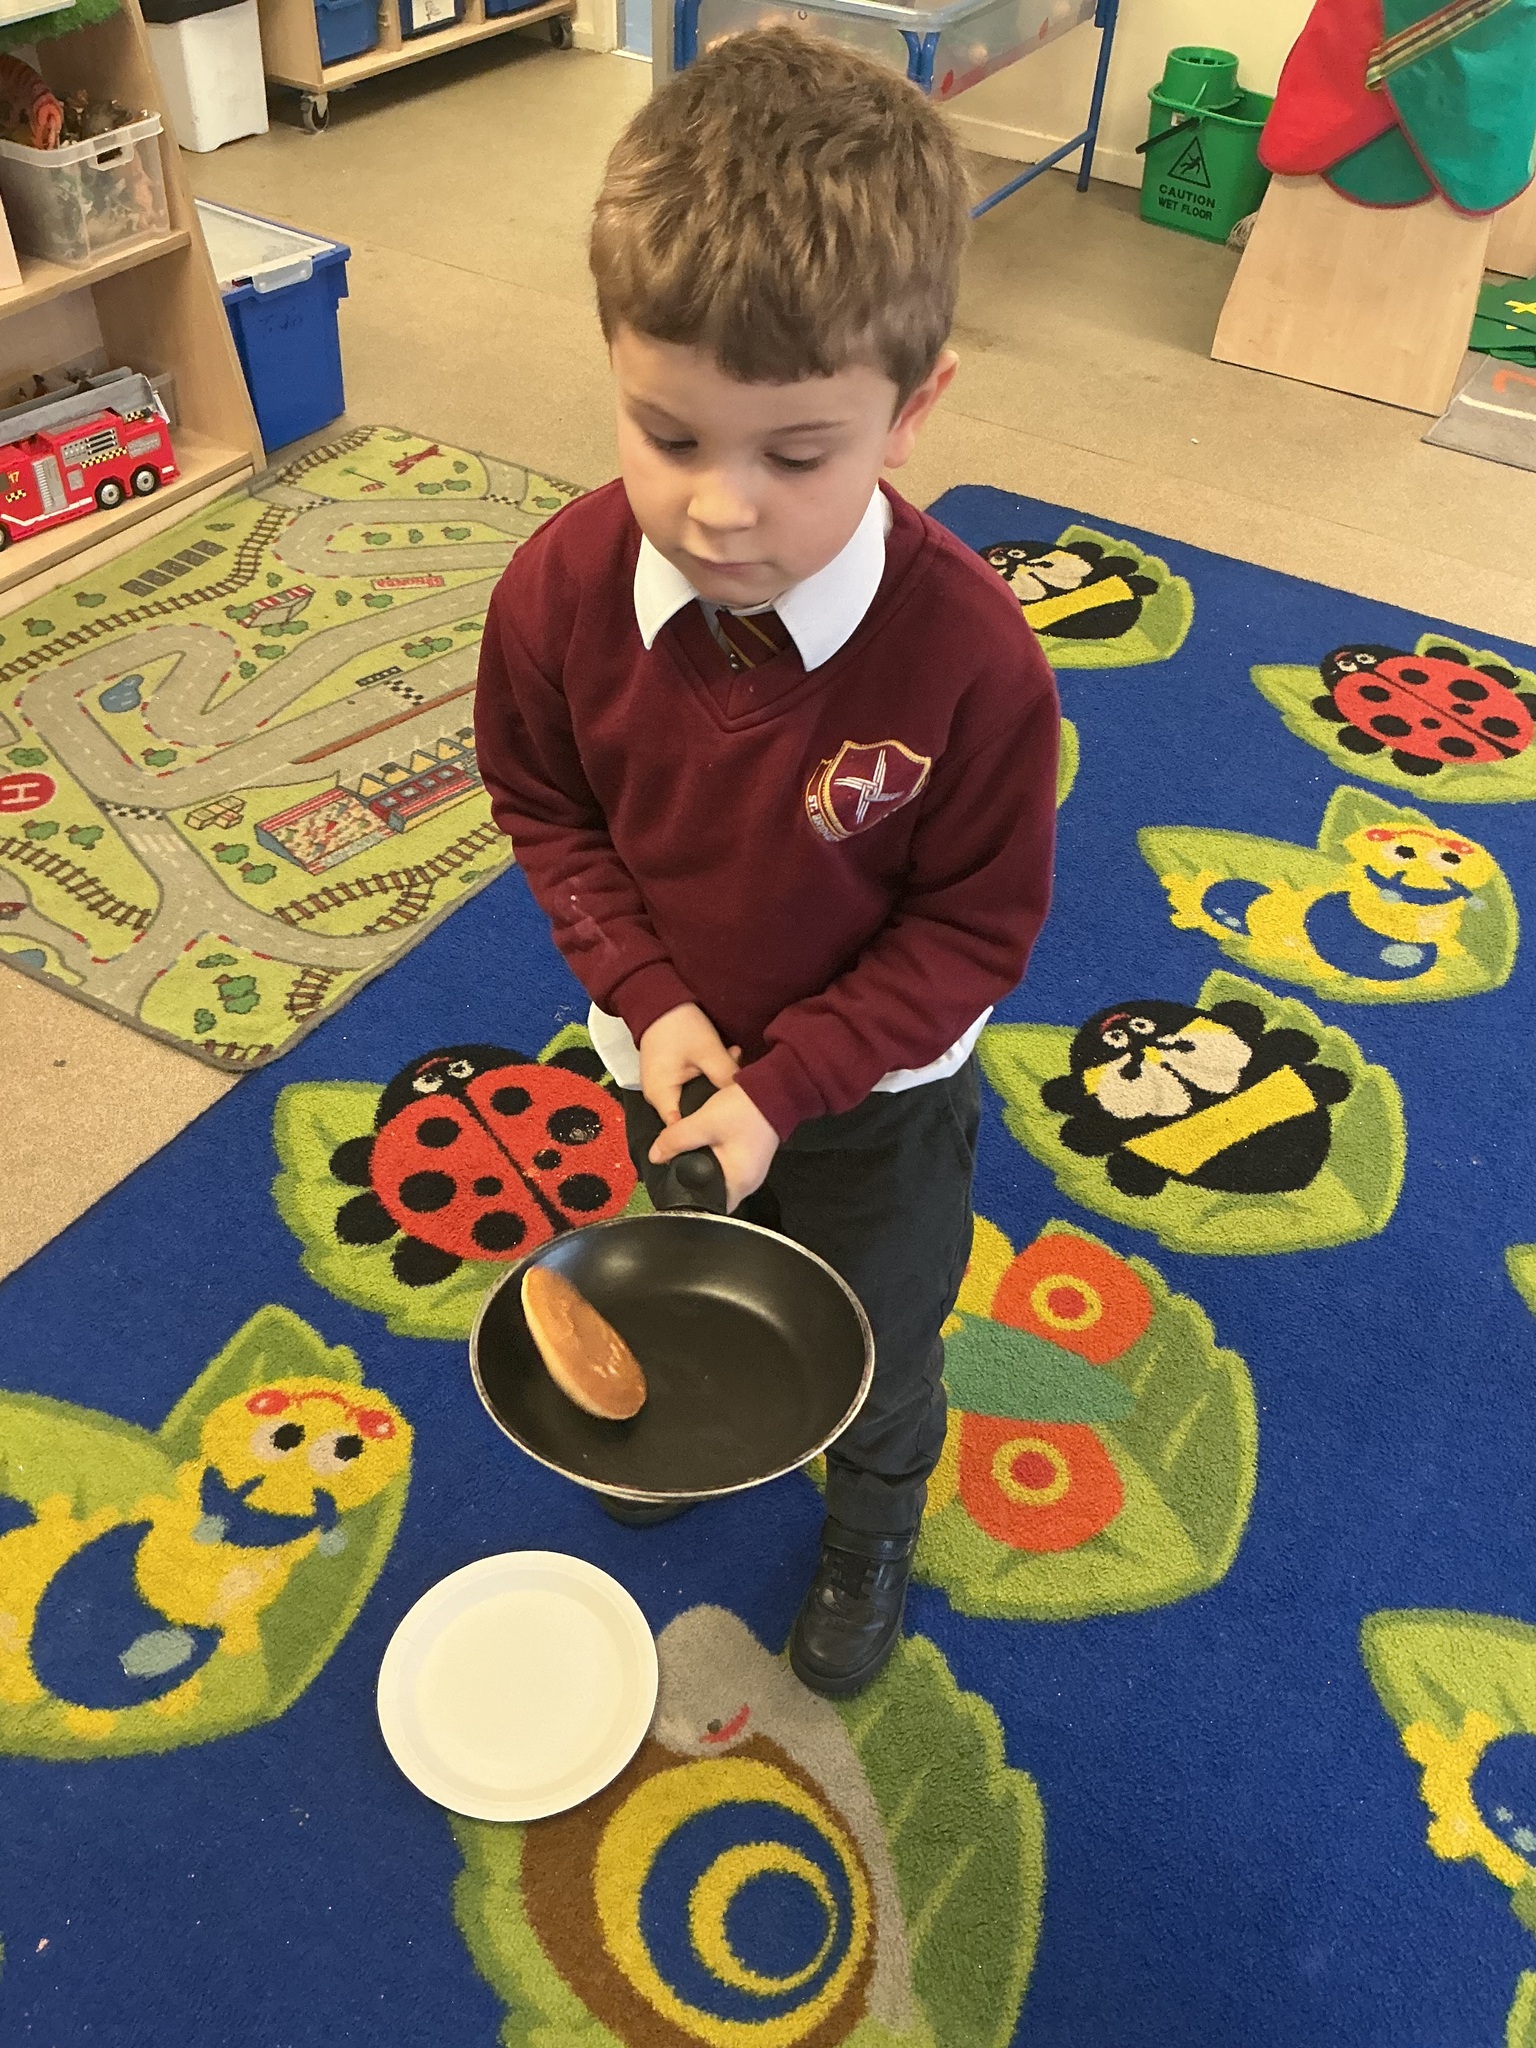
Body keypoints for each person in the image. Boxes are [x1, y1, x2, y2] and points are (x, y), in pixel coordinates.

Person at [474, 26, 1059, 1697]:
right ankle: (677, 1420)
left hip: (877, 1102)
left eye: (796, 455)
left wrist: (790, 1085)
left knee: (873, 1336)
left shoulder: (974, 661)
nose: (722, 510)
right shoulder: (558, 593)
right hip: (665, 1055)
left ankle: (871, 1520)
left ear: (914, 409)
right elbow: (550, 814)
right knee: (681, 1274)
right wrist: (652, 1005)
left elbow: (971, 930)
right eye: (668, 436)